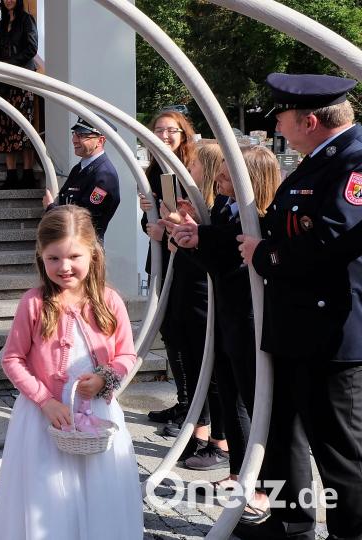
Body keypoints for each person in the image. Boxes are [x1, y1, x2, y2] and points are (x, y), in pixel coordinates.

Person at [235, 73, 362, 540]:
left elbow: (330, 240)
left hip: (330, 333)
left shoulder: (355, 162)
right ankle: (293, 525)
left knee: (339, 452)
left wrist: (265, 256)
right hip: (294, 326)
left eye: (283, 119)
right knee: (283, 437)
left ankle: (351, 532)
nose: (279, 128)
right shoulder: (320, 159)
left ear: (310, 120)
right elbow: (283, 224)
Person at [0, 205, 143, 539]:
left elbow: (127, 354)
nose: (65, 267)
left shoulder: (110, 301)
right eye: (54, 258)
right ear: (40, 257)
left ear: (93, 253)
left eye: (74, 256)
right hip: (43, 419)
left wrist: (105, 377)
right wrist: (45, 400)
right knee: (46, 494)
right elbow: (12, 359)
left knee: (98, 487)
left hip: (98, 414)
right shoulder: (33, 303)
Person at [166, 144, 280, 524]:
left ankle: (262, 487)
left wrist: (198, 239)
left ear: (252, 181)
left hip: (251, 319)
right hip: (229, 317)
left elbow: (234, 262)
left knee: (254, 399)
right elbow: (213, 264)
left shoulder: (259, 218)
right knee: (231, 399)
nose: (218, 179)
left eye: (228, 176)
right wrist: (189, 240)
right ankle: (238, 474)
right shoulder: (222, 208)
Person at [139, 110, 227, 469]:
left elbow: (210, 242)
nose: (163, 135)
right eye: (157, 130)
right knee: (183, 348)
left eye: (170, 130)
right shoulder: (156, 172)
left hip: (198, 283)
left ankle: (217, 439)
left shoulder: (213, 200)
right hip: (178, 273)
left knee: (209, 361)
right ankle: (197, 425)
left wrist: (173, 233)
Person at [44, 116, 120, 240]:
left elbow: (84, 219)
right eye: (74, 134)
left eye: (82, 136)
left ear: (100, 141)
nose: (74, 140)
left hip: (86, 248)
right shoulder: (80, 168)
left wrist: (51, 209)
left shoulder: (104, 175)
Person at [0, 0, 38, 190]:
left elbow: (32, 49)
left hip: (22, 80)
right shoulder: (1, 24)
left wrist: (9, 64)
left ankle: (27, 175)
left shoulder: (27, 20)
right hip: (3, 82)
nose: (8, 0)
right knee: (5, 128)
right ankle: (11, 176)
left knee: (23, 128)